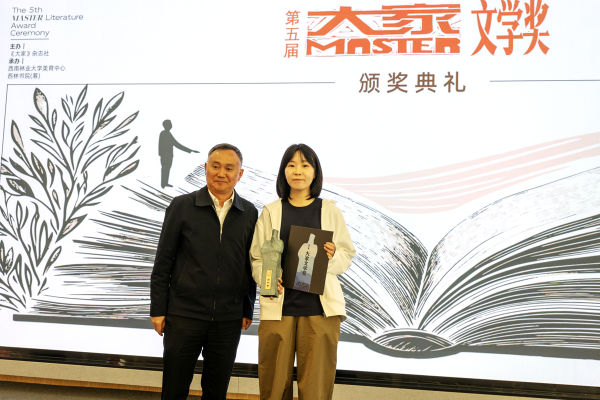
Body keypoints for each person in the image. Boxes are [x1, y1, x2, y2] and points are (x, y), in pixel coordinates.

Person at [150, 143, 258, 400]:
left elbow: (250, 263)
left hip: (228, 318)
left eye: (229, 168)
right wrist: (158, 308)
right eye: (216, 166)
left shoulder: (249, 212)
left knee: (216, 391)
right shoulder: (182, 206)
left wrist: (247, 308)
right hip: (184, 314)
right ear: (206, 168)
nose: (221, 173)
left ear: (240, 174)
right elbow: (163, 260)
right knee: (174, 389)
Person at [250, 144, 356, 400]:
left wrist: (332, 256)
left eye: (305, 165)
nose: (298, 171)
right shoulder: (271, 211)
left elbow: (346, 255)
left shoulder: (329, 210)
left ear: (315, 172)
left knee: (316, 390)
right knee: (274, 387)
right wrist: (267, 278)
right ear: (283, 172)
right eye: (291, 165)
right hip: (278, 309)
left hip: (320, 310)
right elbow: (257, 257)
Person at [158, 119, 198, 188]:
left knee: (167, 168)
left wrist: (190, 150)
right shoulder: (164, 133)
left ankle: (165, 183)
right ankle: (163, 184)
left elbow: (176, 144)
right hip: (165, 155)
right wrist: (161, 153)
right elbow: (174, 144)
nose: (171, 125)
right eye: (170, 124)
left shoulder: (168, 134)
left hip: (168, 155)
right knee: (165, 168)